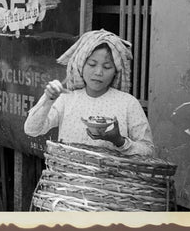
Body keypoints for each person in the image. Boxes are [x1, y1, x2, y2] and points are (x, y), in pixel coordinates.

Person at [24, 29, 154, 156]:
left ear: (115, 71)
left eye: (107, 67)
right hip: (69, 176)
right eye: (92, 64)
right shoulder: (66, 99)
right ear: (80, 65)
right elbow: (32, 130)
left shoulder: (128, 103)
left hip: (110, 177)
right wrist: (48, 99)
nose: (98, 72)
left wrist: (119, 141)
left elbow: (148, 150)